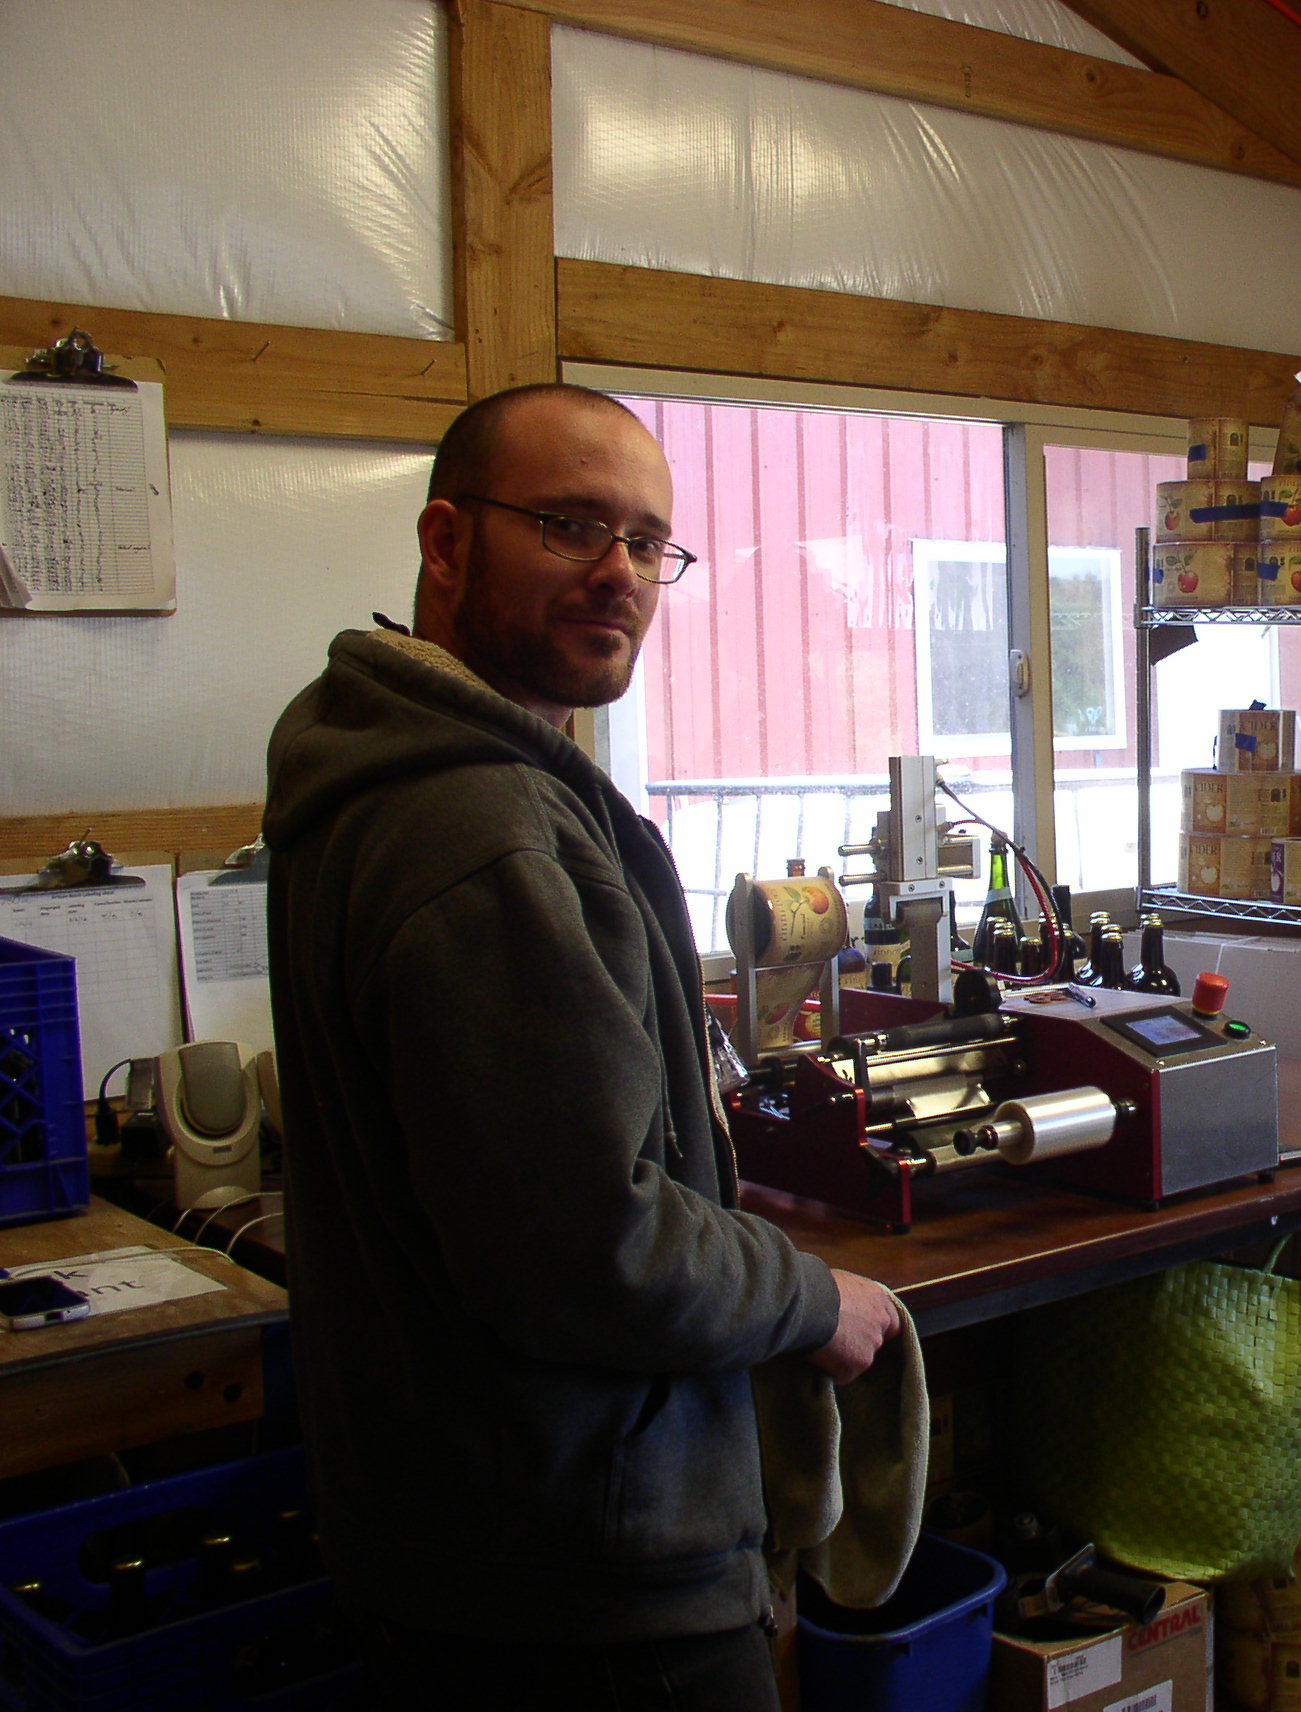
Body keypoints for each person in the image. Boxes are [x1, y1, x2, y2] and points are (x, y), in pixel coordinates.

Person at [264, 382, 902, 1709]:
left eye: (647, 543)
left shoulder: (396, 773)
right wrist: (805, 1296)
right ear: (447, 543)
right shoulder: (486, 835)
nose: (619, 574)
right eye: (569, 527)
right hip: (587, 1590)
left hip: (470, 1543)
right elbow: (590, 1248)